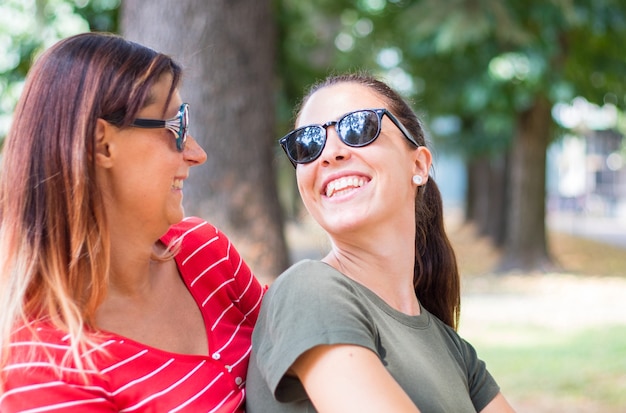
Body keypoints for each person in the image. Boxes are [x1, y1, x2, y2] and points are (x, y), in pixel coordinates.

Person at [0, 32, 264, 412]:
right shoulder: (45, 369)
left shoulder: (206, 254)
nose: (196, 153)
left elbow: (305, 344)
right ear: (101, 144)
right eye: (173, 127)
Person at [246, 73, 516, 413]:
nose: (330, 154)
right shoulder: (309, 290)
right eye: (308, 143)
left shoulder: (454, 351)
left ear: (418, 164)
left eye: (359, 128)